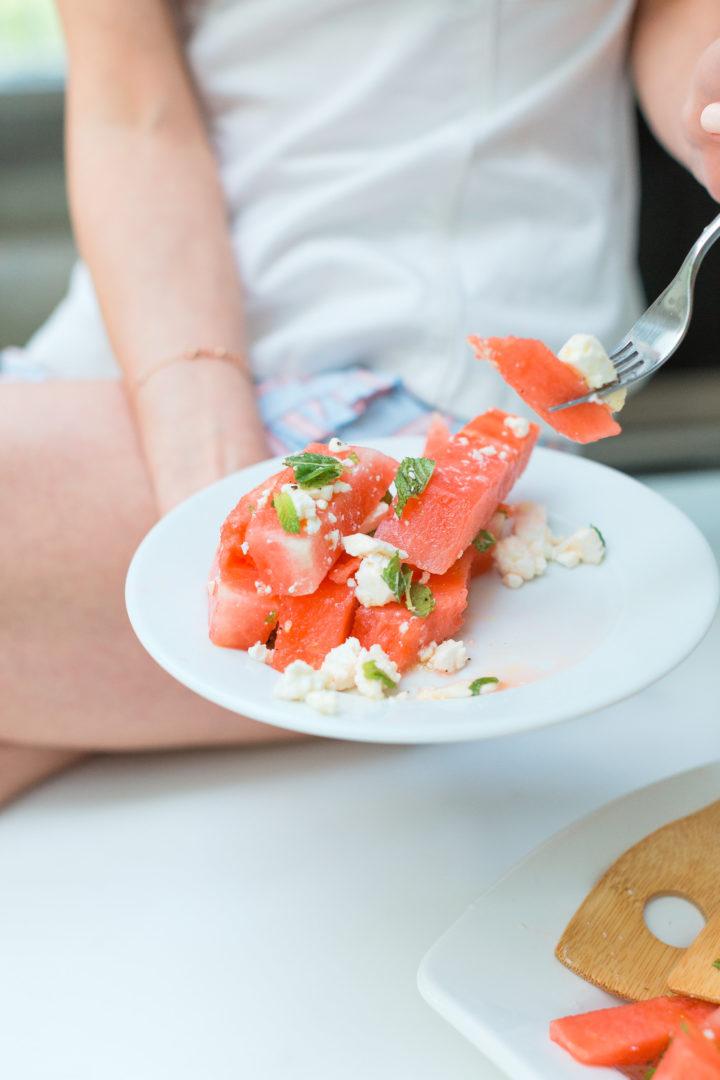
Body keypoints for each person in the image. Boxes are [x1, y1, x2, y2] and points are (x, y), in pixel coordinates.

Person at [1, 0, 719, 806]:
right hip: (147, 354)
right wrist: (239, 515)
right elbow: (134, 109)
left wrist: (710, 101)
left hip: (428, 402)